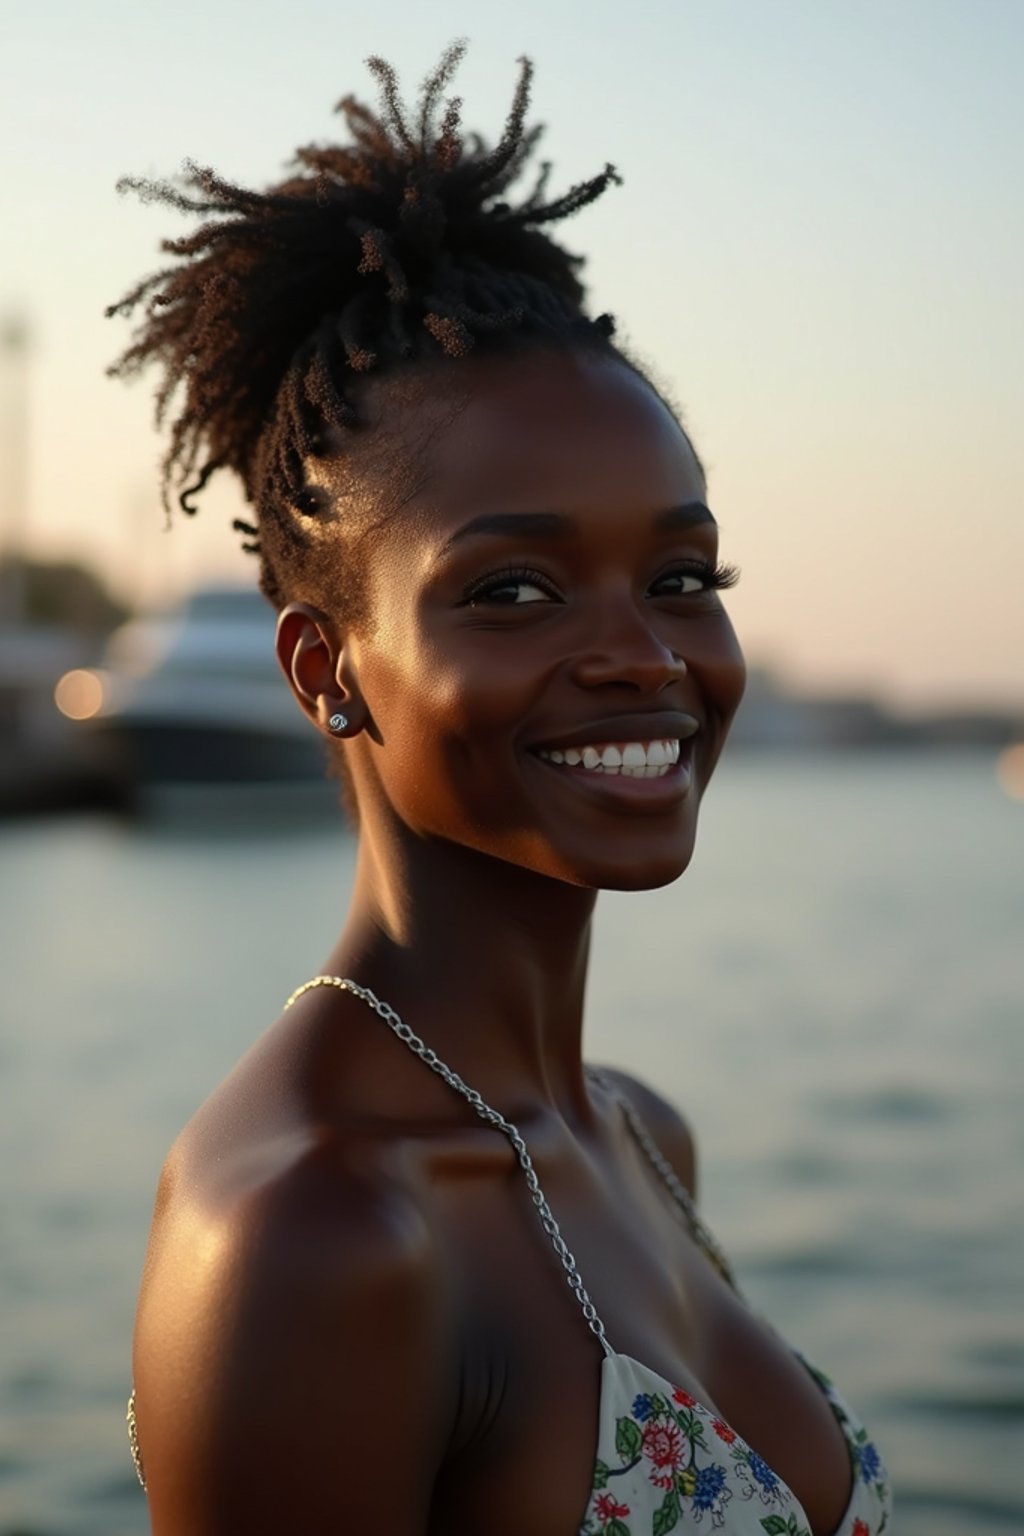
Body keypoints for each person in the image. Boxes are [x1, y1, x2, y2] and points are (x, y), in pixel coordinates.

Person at [109, 45, 891, 1536]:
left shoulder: (641, 1138)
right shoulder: (312, 1234)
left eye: (680, 576)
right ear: (325, 666)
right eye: (517, 590)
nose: (644, 657)